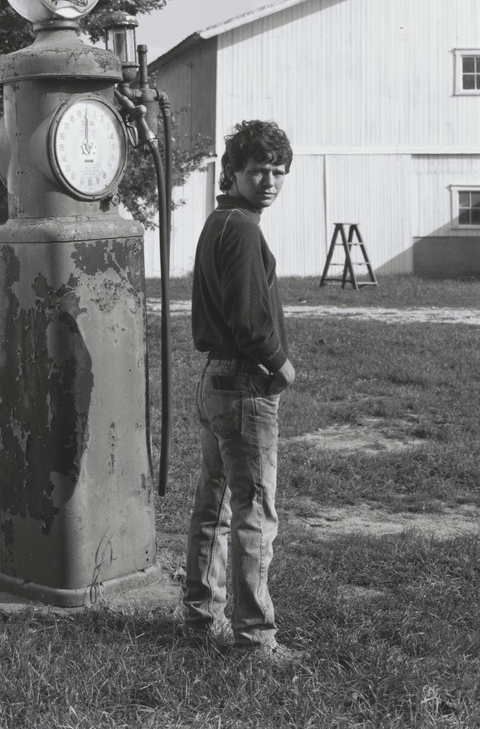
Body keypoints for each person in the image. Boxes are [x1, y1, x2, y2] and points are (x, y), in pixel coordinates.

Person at [182, 119, 295, 652]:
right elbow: (248, 319)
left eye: (277, 171)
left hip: (215, 380)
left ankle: (201, 616)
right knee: (254, 510)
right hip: (244, 383)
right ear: (233, 172)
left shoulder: (221, 220)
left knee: (216, 502)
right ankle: (255, 637)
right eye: (257, 171)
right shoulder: (243, 228)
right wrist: (281, 362)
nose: (268, 180)